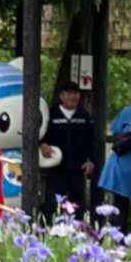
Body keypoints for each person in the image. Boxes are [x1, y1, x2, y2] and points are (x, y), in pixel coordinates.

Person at [42, 81, 98, 217]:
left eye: (76, 94)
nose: (73, 97)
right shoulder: (51, 114)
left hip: (77, 169)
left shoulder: (84, 116)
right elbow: (42, 134)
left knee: (77, 205)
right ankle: (51, 231)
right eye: (69, 93)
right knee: (53, 204)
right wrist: (42, 144)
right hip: (56, 168)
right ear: (62, 96)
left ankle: (76, 233)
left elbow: (91, 141)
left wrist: (91, 161)